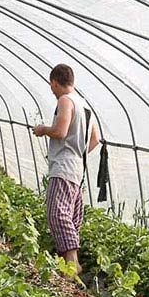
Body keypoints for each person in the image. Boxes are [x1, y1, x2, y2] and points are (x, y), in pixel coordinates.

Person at [33, 64, 99, 276]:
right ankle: (66, 266)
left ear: (54, 82)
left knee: (57, 213)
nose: (52, 91)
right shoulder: (85, 105)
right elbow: (95, 140)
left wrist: (43, 130)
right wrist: (77, 151)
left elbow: (60, 131)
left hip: (63, 167)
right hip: (77, 167)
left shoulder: (65, 100)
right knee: (70, 215)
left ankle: (72, 264)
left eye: (51, 86)